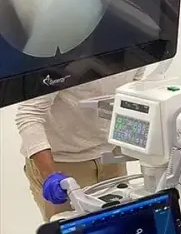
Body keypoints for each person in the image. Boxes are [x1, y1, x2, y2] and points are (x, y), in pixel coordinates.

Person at [15, 69, 143, 220]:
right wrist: (50, 175)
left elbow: (132, 92)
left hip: (111, 154)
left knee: (122, 227)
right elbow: (29, 115)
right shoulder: (57, 57)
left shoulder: (134, 50)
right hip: (62, 164)